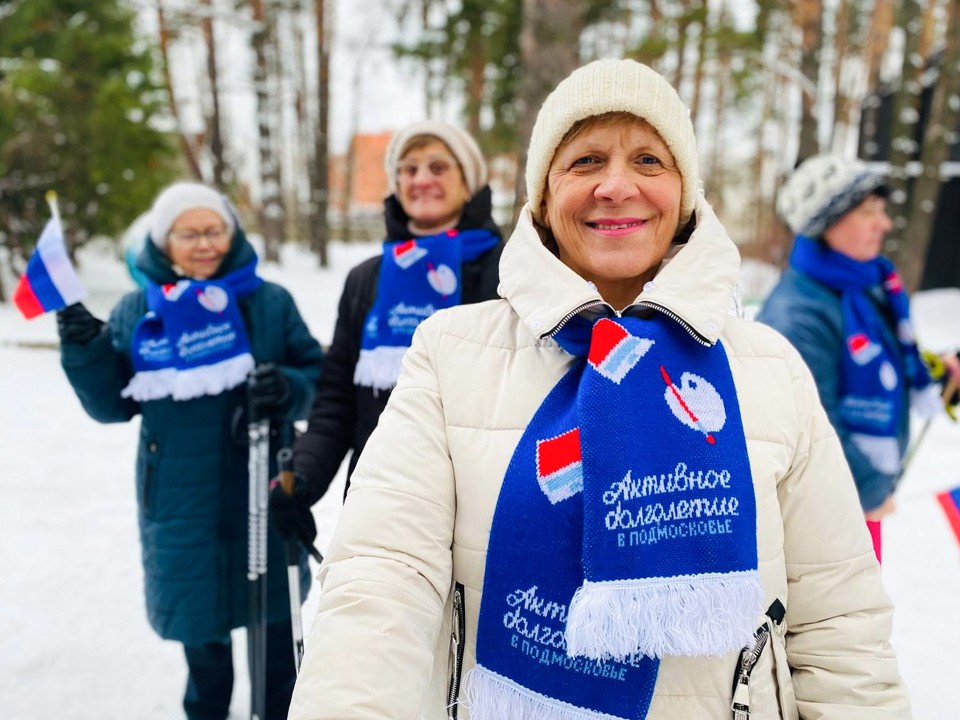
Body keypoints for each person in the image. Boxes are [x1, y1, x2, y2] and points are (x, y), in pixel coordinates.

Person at [288, 59, 910, 719]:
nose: (617, 186)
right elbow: (379, 586)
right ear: (544, 198)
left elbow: (841, 626)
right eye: (585, 161)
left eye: (648, 160)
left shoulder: (770, 368)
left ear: (686, 192)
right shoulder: (450, 355)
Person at [56, 182, 324, 720]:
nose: (204, 244)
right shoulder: (138, 310)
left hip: (261, 494)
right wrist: (85, 349)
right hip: (181, 504)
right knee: (204, 651)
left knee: (274, 642)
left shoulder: (267, 302)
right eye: (189, 233)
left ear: (232, 233)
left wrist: (289, 387)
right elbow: (111, 405)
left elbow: (319, 375)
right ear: (163, 242)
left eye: (214, 230)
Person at [269, 120, 504, 547]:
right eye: (408, 170)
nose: (421, 180)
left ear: (469, 182)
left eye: (437, 167)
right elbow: (337, 398)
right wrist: (303, 477)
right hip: (382, 495)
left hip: (483, 502)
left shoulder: (509, 269)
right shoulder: (368, 280)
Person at [757, 155, 960, 562]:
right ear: (825, 222)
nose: (883, 224)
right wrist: (870, 491)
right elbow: (813, 430)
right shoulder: (798, 315)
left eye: (882, 211)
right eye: (868, 212)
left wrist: (936, 372)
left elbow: (877, 359)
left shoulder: (863, 285)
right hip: (828, 517)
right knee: (844, 624)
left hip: (855, 505)